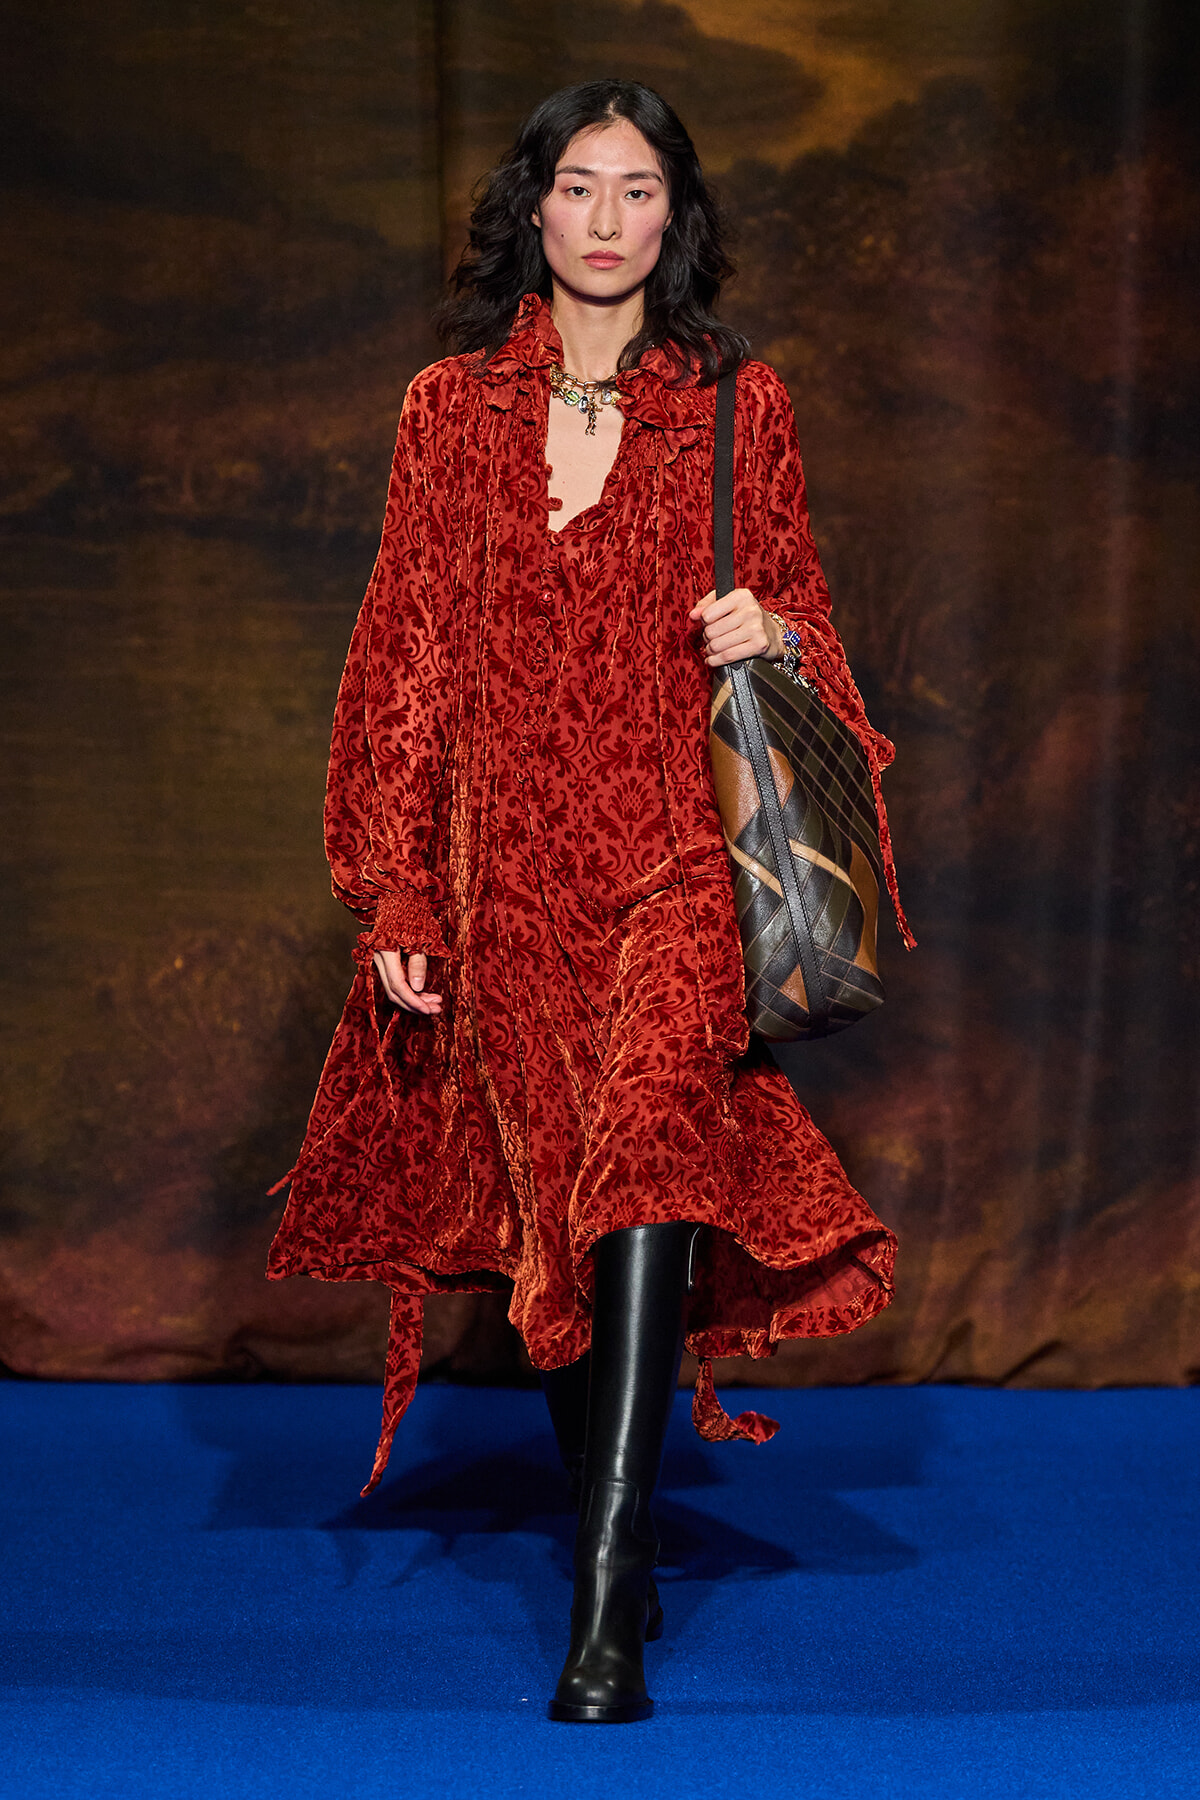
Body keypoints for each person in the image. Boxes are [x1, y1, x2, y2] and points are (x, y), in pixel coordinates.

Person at [268, 77, 913, 1724]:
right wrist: (397, 885)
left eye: (640, 191)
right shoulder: (448, 412)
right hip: (514, 878)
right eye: (581, 187)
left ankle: (608, 1602)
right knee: (562, 1196)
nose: (611, 219)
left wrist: (766, 636)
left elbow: (814, 633)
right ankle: (600, 1514)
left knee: (646, 1150)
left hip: (681, 857)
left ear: (674, 219)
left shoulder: (738, 405)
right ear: (535, 211)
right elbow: (403, 656)